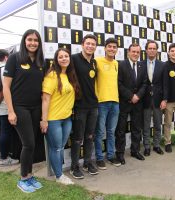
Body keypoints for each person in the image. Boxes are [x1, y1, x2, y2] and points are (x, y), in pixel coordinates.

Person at [3, 29, 44, 193]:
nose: (33, 43)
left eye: (36, 40)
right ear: (24, 41)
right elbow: (6, 86)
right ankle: (23, 178)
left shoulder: (41, 62)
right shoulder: (14, 58)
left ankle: (29, 174)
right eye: (30, 39)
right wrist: (11, 111)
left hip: (36, 108)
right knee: (28, 143)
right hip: (20, 107)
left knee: (32, 144)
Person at [41, 48, 79, 184]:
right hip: (53, 120)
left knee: (60, 147)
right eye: (61, 57)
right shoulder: (52, 75)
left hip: (67, 118)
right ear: (56, 60)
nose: (64, 59)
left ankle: (58, 172)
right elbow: (45, 99)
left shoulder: (68, 75)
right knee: (56, 147)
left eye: (66, 56)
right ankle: (59, 176)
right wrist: (44, 120)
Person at [70, 34, 99, 179]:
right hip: (79, 106)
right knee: (77, 138)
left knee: (90, 136)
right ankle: (74, 166)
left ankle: (88, 162)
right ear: (82, 44)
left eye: (93, 44)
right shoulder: (73, 59)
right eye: (88, 43)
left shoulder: (94, 62)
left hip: (93, 105)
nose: (90, 46)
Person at [115, 43, 147, 164]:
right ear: (128, 52)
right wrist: (130, 96)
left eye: (137, 52)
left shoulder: (141, 66)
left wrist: (137, 96)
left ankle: (135, 151)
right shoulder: (121, 65)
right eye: (133, 51)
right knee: (121, 130)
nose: (135, 54)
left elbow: (145, 83)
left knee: (136, 128)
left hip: (138, 103)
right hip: (124, 102)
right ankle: (120, 154)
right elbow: (119, 83)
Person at [0, 49, 20, 166]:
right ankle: (4, 158)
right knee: (5, 132)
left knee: (3, 131)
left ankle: (5, 155)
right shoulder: (3, 69)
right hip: (4, 106)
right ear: (6, 58)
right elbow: (7, 88)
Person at [94, 38, 121, 170]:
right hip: (101, 102)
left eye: (114, 47)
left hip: (115, 102)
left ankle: (110, 155)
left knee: (111, 131)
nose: (111, 49)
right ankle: (99, 158)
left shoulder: (116, 63)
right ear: (104, 48)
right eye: (109, 46)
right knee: (99, 132)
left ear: (117, 49)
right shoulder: (97, 61)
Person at [141, 40, 166, 156]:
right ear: (146, 50)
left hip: (158, 100)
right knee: (145, 125)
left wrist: (164, 99)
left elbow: (165, 84)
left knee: (157, 124)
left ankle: (156, 145)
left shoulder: (162, 65)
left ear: (157, 50)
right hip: (144, 100)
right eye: (149, 48)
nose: (152, 50)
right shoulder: (140, 64)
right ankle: (146, 146)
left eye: (154, 48)